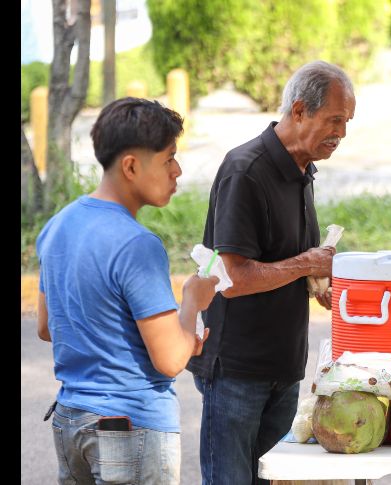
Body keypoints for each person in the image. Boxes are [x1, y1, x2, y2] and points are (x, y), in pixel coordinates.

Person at [186, 60, 354, 484]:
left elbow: (284, 259)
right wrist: (307, 264)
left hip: (285, 366)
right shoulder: (246, 170)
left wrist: (316, 282)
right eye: (335, 120)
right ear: (299, 111)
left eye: (347, 122)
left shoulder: (303, 169)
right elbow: (234, 278)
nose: (342, 134)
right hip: (238, 371)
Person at [36, 97, 219, 484]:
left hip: (71, 420)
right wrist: (192, 304)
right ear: (132, 166)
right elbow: (170, 359)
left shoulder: (56, 226)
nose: (178, 171)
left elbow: (48, 327)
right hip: (130, 426)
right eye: (168, 159)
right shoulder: (137, 244)